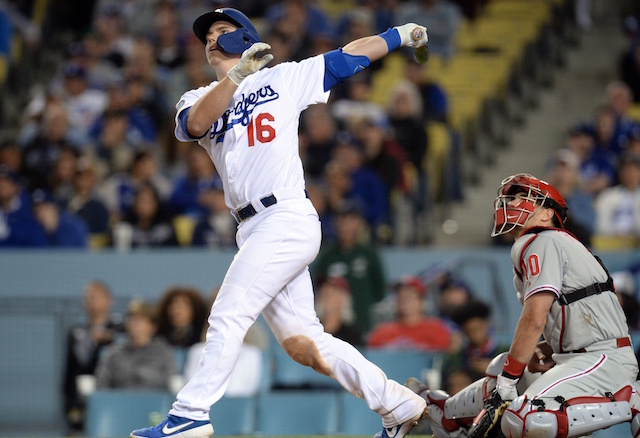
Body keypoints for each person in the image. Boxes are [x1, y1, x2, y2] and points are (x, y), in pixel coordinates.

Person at [130, 8, 430, 438]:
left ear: (246, 37)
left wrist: (399, 35)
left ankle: (191, 414)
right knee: (304, 344)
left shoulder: (282, 78)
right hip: (252, 226)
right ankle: (398, 405)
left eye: (222, 31)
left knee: (229, 313)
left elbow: (348, 57)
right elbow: (195, 124)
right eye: (207, 34)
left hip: (285, 215)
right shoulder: (198, 95)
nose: (212, 38)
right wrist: (233, 80)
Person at [410, 173, 640, 438]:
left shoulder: (545, 239)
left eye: (524, 197)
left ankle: (629, 399)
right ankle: (448, 416)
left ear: (547, 214)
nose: (513, 202)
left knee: (524, 417)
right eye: (513, 197)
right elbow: (579, 313)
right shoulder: (547, 244)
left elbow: (534, 319)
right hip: (579, 355)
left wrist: (509, 382)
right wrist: (543, 349)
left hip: (603, 360)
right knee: (503, 368)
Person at [312, 200, 387, 333]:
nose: (345, 225)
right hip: (332, 328)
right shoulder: (327, 255)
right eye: (341, 219)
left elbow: (380, 290)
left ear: (360, 223)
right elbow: (316, 289)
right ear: (335, 223)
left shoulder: (369, 254)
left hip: (362, 324)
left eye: (351, 219)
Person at [63, 280, 121, 433]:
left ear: (109, 300)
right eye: (88, 297)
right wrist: (69, 403)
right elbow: (69, 371)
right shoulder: (76, 333)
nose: (91, 301)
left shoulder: (119, 331)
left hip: (111, 397)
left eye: (96, 297)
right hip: (80, 398)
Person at [95, 299, 177, 389]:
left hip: (153, 400)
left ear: (153, 327)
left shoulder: (163, 352)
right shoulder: (114, 353)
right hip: (119, 400)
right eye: (131, 319)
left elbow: (171, 383)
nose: (134, 323)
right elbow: (101, 385)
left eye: (140, 319)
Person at [367, 275, 452, 352]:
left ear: (421, 302)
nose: (405, 300)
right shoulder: (381, 333)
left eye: (409, 296)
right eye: (400, 296)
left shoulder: (437, 329)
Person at [315, 275, 363, 347]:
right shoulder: (312, 330)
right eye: (324, 291)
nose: (327, 295)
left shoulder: (352, 335)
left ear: (343, 298)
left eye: (333, 292)